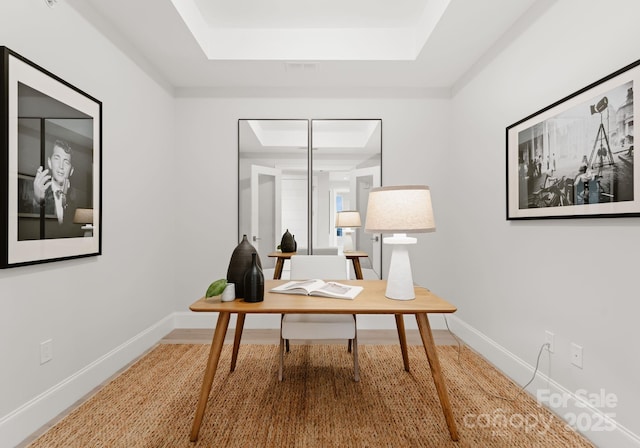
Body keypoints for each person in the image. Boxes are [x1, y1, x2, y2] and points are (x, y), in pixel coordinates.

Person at [32, 139, 76, 224]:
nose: (61, 166)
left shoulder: (76, 199)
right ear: (49, 162)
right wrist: (38, 200)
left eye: (66, 162)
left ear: (71, 171)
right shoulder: (39, 191)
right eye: (57, 159)